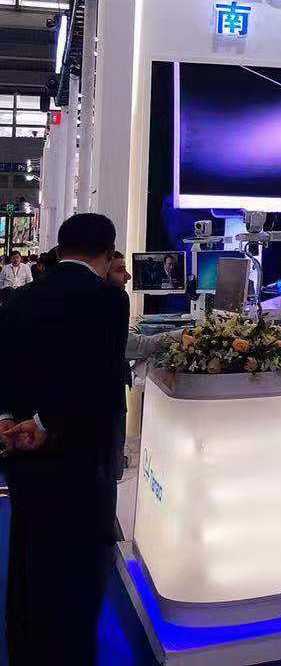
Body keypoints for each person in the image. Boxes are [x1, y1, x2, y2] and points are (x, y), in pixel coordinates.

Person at [0, 212, 130, 666]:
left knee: (28, 557)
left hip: (23, 454)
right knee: (79, 575)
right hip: (82, 459)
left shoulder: (21, 298)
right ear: (108, 252)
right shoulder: (109, 301)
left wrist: (10, 420)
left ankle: (25, 650)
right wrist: (46, 423)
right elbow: (99, 381)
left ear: (58, 249)